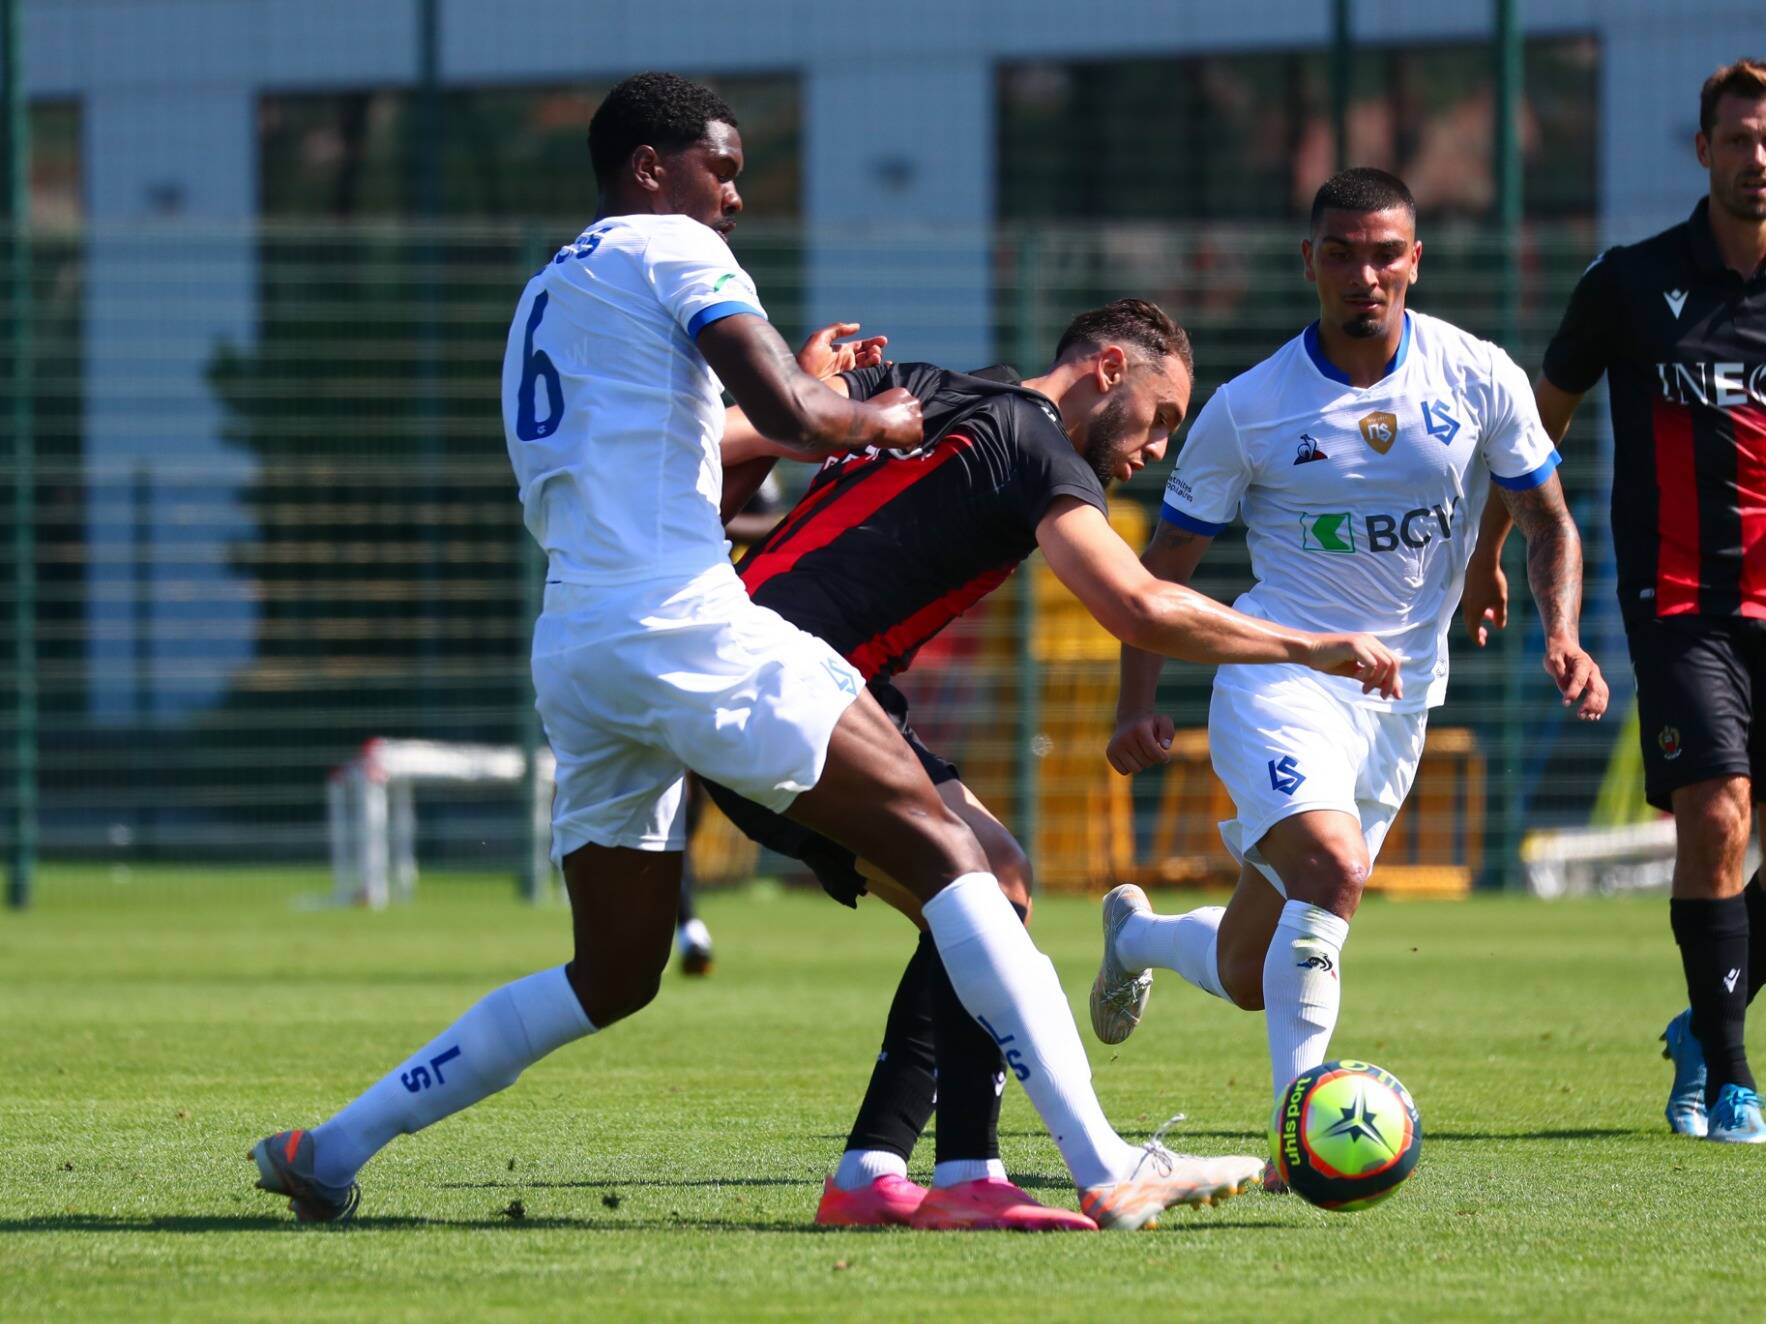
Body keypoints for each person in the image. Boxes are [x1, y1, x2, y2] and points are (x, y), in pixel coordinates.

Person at [246, 71, 1264, 1230]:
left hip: (579, 643)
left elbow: (700, 455)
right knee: (961, 861)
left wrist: (816, 408)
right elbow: (792, 411)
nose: (732, 196)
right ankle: (1098, 1164)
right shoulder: (675, 253)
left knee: (612, 974)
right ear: (649, 169)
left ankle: (333, 1146)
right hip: (687, 627)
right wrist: (866, 415)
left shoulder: (548, 288)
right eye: (719, 169)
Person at [706, 298, 1402, 1230]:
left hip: (766, 675)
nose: (1156, 448)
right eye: (1161, 417)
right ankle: (984, 1173)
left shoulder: (930, 386)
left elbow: (723, 439)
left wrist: (799, 388)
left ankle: (904, 1170)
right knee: (982, 885)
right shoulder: (1042, 453)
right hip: (786, 693)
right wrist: (1307, 646)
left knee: (995, 879)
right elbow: (1142, 607)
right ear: (1110, 369)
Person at [1090, 170, 1609, 1174]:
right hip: (1280, 679)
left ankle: (1138, 939)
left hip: (1398, 703)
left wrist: (1563, 633)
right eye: (1340, 253)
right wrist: (1136, 705)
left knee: (1251, 971)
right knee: (1334, 868)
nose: (1362, 274)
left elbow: (1545, 514)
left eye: (1383, 253)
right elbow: (1163, 573)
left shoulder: (1477, 376)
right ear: (1309, 263)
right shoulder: (1250, 409)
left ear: (1415, 259)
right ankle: (1300, 1134)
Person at [1461, 59, 1766, 1144]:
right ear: (1701, 151)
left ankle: (1704, 1018)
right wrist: (1485, 557)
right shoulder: (1627, 282)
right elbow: (1533, 433)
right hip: (1676, 601)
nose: (1755, 159)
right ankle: (1728, 1075)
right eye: (1736, 140)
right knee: (1715, 816)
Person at [674, 468, 793, 977]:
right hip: (679, 632)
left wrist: (712, 524)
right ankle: (686, 923)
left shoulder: (759, 454)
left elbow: (783, 526)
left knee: (698, 802)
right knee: (676, 798)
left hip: (741, 638)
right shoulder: (687, 445)